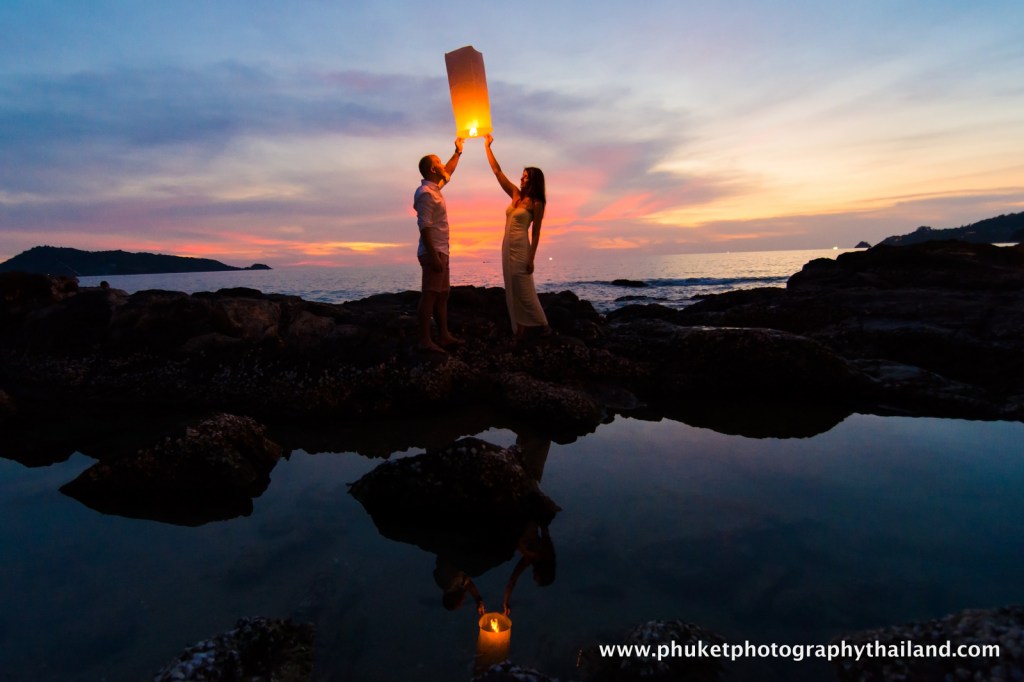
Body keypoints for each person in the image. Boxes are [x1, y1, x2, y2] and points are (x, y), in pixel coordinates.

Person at [483, 134, 552, 340]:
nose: (521, 178)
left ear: (533, 180)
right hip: (507, 247)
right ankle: (520, 330)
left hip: (522, 248)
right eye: (522, 175)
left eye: (525, 176)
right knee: (511, 288)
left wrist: (531, 258)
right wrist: (487, 147)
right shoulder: (515, 194)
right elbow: (497, 171)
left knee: (524, 288)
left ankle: (544, 325)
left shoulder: (536, 203)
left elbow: (536, 232)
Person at [414, 138, 465, 352]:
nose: (444, 164)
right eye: (440, 161)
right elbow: (424, 227)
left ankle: (443, 335)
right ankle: (425, 340)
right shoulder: (425, 194)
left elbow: (449, 173)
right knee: (430, 294)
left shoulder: (435, 189)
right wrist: (433, 255)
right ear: (433, 168)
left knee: (443, 294)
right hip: (433, 251)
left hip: (442, 250)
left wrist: (458, 152)